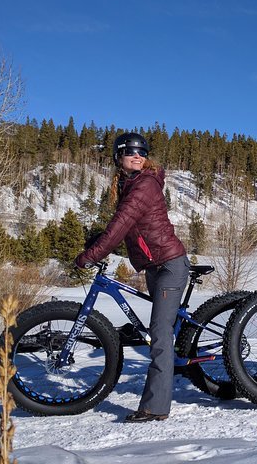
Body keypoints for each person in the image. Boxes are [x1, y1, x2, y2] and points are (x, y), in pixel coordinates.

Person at [75, 132, 189, 422]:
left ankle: (155, 408)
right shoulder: (129, 184)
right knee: (158, 328)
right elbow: (122, 224)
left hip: (169, 265)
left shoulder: (145, 184)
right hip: (154, 266)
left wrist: (93, 255)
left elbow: (122, 223)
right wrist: (98, 240)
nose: (137, 156)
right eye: (130, 152)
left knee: (160, 336)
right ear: (118, 158)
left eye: (141, 152)